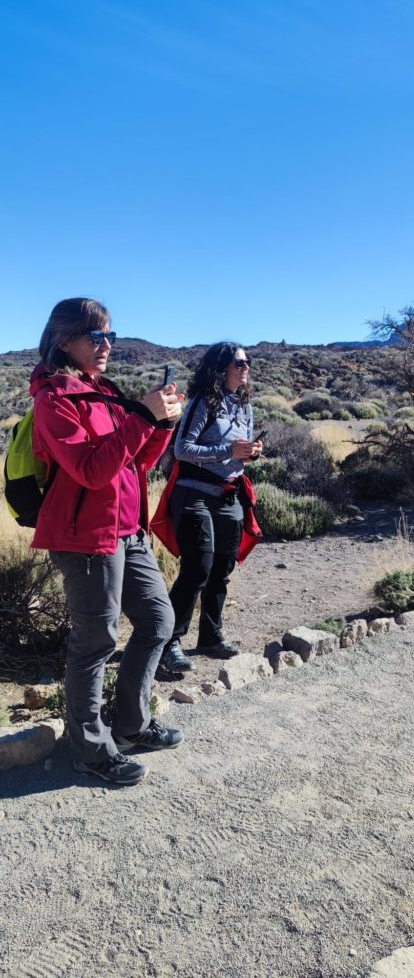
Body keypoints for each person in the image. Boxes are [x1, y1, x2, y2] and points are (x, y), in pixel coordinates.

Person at [30, 297, 185, 785]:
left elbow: (135, 462)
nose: (106, 346)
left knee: (159, 621)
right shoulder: (53, 400)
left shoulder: (104, 392)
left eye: (110, 336)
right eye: (95, 336)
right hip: (85, 538)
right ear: (65, 341)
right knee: (95, 642)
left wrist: (160, 423)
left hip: (127, 529)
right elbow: (92, 471)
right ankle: (90, 749)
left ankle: (132, 724)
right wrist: (141, 416)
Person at [160, 342, 263, 672]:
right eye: (238, 362)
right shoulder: (204, 401)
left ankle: (210, 637)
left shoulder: (244, 405)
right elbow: (182, 448)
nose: (245, 367)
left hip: (229, 496)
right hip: (195, 494)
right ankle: (169, 643)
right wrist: (227, 452)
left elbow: (236, 451)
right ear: (221, 367)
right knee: (197, 569)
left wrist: (251, 452)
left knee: (222, 570)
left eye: (248, 362)